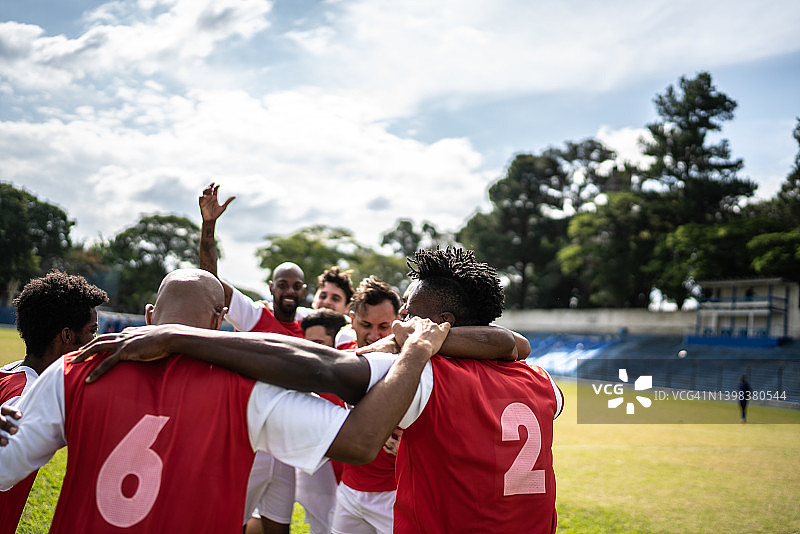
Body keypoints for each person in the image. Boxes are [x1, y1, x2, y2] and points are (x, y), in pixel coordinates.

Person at [0, 269, 449, 533]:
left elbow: (5, 469)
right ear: (219, 321)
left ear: (151, 315)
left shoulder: (74, 370)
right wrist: (414, 351)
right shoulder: (246, 389)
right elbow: (359, 440)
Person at [387, 248, 563, 533]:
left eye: (412, 312)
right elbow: (516, 345)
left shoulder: (424, 374)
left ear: (445, 321)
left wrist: (417, 342)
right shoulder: (541, 380)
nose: (403, 318)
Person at [0, 271, 107, 534]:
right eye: (92, 331)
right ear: (68, 336)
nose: (94, 342)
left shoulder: (9, 372)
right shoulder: (27, 396)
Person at [331, 276, 404, 534]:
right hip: (349, 491)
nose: (374, 336)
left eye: (384, 326)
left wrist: (408, 447)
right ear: (352, 320)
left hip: (394, 493)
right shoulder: (343, 354)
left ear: (398, 322)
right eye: (365, 325)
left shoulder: (412, 366)